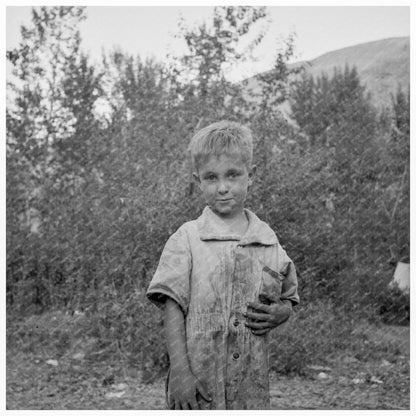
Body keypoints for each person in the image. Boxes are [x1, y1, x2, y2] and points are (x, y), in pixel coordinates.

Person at [146, 120, 299, 410]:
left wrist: (281, 313)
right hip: (199, 385)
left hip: (250, 389)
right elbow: (172, 308)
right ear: (198, 181)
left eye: (233, 175)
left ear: (250, 175)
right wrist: (180, 373)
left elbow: (288, 297)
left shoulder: (267, 241)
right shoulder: (186, 239)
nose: (223, 187)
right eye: (211, 178)